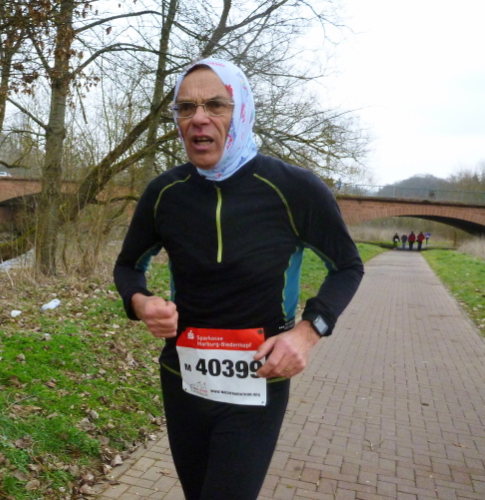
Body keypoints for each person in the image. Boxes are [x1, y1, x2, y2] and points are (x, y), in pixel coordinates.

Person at [113, 58, 364, 500]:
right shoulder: (164, 193)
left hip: (258, 382)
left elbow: (348, 266)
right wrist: (141, 302)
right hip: (183, 378)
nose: (198, 118)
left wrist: (307, 333)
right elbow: (127, 266)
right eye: (185, 108)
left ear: (242, 110)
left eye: (215, 105)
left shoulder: (294, 188)